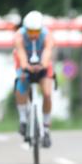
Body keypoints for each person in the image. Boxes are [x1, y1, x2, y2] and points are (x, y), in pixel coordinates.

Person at [13, 10, 55, 148]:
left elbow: (48, 51)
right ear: (26, 30)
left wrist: (43, 64)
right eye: (30, 32)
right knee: (21, 84)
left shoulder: (47, 35)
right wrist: (25, 66)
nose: (33, 35)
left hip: (43, 64)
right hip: (26, 64)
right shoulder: (19, 35)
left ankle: (46, 128)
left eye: (36, 32)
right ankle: (23, 120)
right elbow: (20, 53)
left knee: (47, 93)